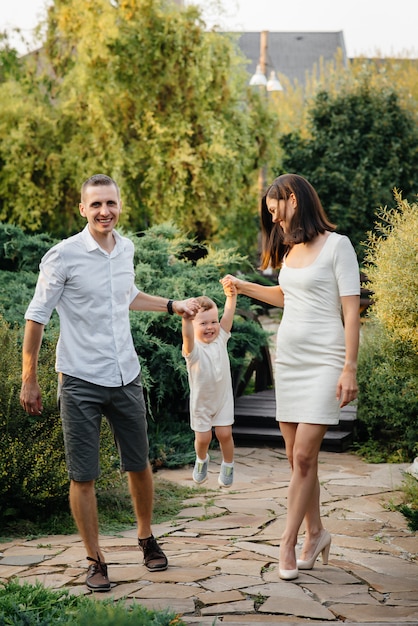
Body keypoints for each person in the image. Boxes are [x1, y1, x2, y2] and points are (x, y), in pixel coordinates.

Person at [20, 174, 199, 592]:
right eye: (96, 204)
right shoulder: (62, 256)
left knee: (139, 464)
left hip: (126, 376)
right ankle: (94, 560)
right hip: (80, 378)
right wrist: (30, 378)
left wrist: (172, 305)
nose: (105, 211)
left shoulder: (126, 249)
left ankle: (145, 537)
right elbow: (36, 317)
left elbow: (127, 295)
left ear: (120, 206)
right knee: (84, 476)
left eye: (111, 203)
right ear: (82, 209)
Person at [221, 173, 360, 580]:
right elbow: (287, 295)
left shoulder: (338, 246)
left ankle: (287, 541)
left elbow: (351, 311)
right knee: (297, 458)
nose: (273, 216)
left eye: (275, 207)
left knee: (303, 456)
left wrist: (349, 367)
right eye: (269, 211)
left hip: (326, 359)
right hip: (292, 360)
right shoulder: (290, 248)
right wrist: (244, 287)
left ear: (294, 200)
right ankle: (315, 532)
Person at [182, 284, 237, 488]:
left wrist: (231, 296)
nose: (210, 327)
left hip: (222, 401)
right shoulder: (193, 351)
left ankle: (228, 464)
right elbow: (187, 336)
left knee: (225, 434)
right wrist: (186, 319)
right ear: (194, 326)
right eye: (203, 323)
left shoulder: (220, 339)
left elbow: (229, 314)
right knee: (203, 438)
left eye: (213, 321)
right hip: (201, 404)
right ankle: (201, 460)